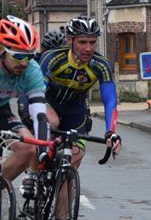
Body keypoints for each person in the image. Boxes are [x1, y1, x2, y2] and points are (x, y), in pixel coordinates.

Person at [0, 16, 50, 206]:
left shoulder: (32, 71)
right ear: (1, 50)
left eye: (29, 56)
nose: (24, 63)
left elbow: (40, 115)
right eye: (18, 55)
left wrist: (43, 151)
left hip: (0, 111)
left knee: (27, 148)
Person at [32, 16, 122, 180]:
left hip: (76, 113)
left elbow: (110, 100)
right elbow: (38, 91)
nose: (88, 48)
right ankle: (33, 174)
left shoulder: (101, 65)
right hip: (49, 103)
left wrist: (111, 132)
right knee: (52, 123)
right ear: (69, 40)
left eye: (92, 42)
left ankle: (63, 199)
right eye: (82, 42)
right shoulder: (53, 57)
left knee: (70, 171)